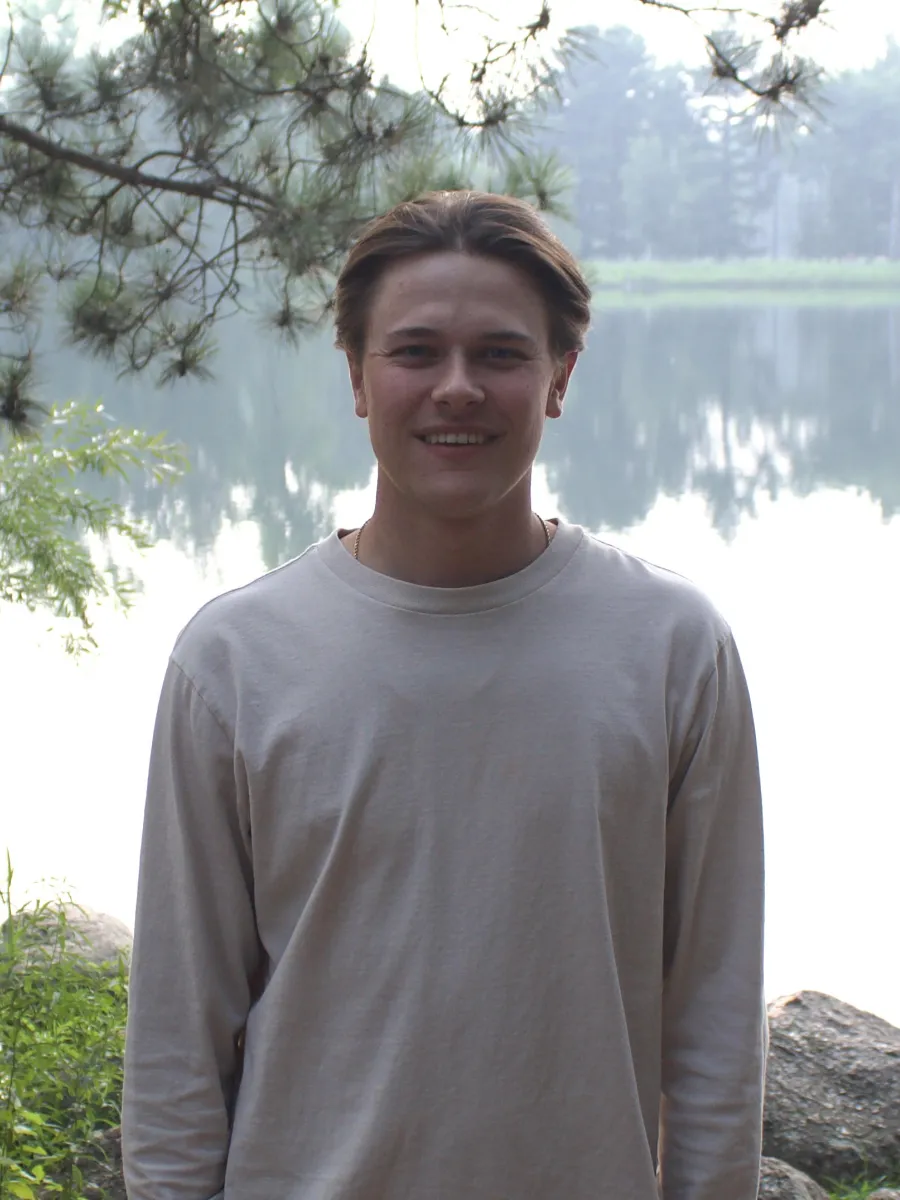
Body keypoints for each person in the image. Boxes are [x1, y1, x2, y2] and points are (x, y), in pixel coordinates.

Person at [121, 190, 767, 1200]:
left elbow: (716, 1018)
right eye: (415, 352)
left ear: (560, 376)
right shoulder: (237, 660)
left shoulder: (671, 648)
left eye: (502, 355)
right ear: (356, 377)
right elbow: (178, 1029)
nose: (457, 388)